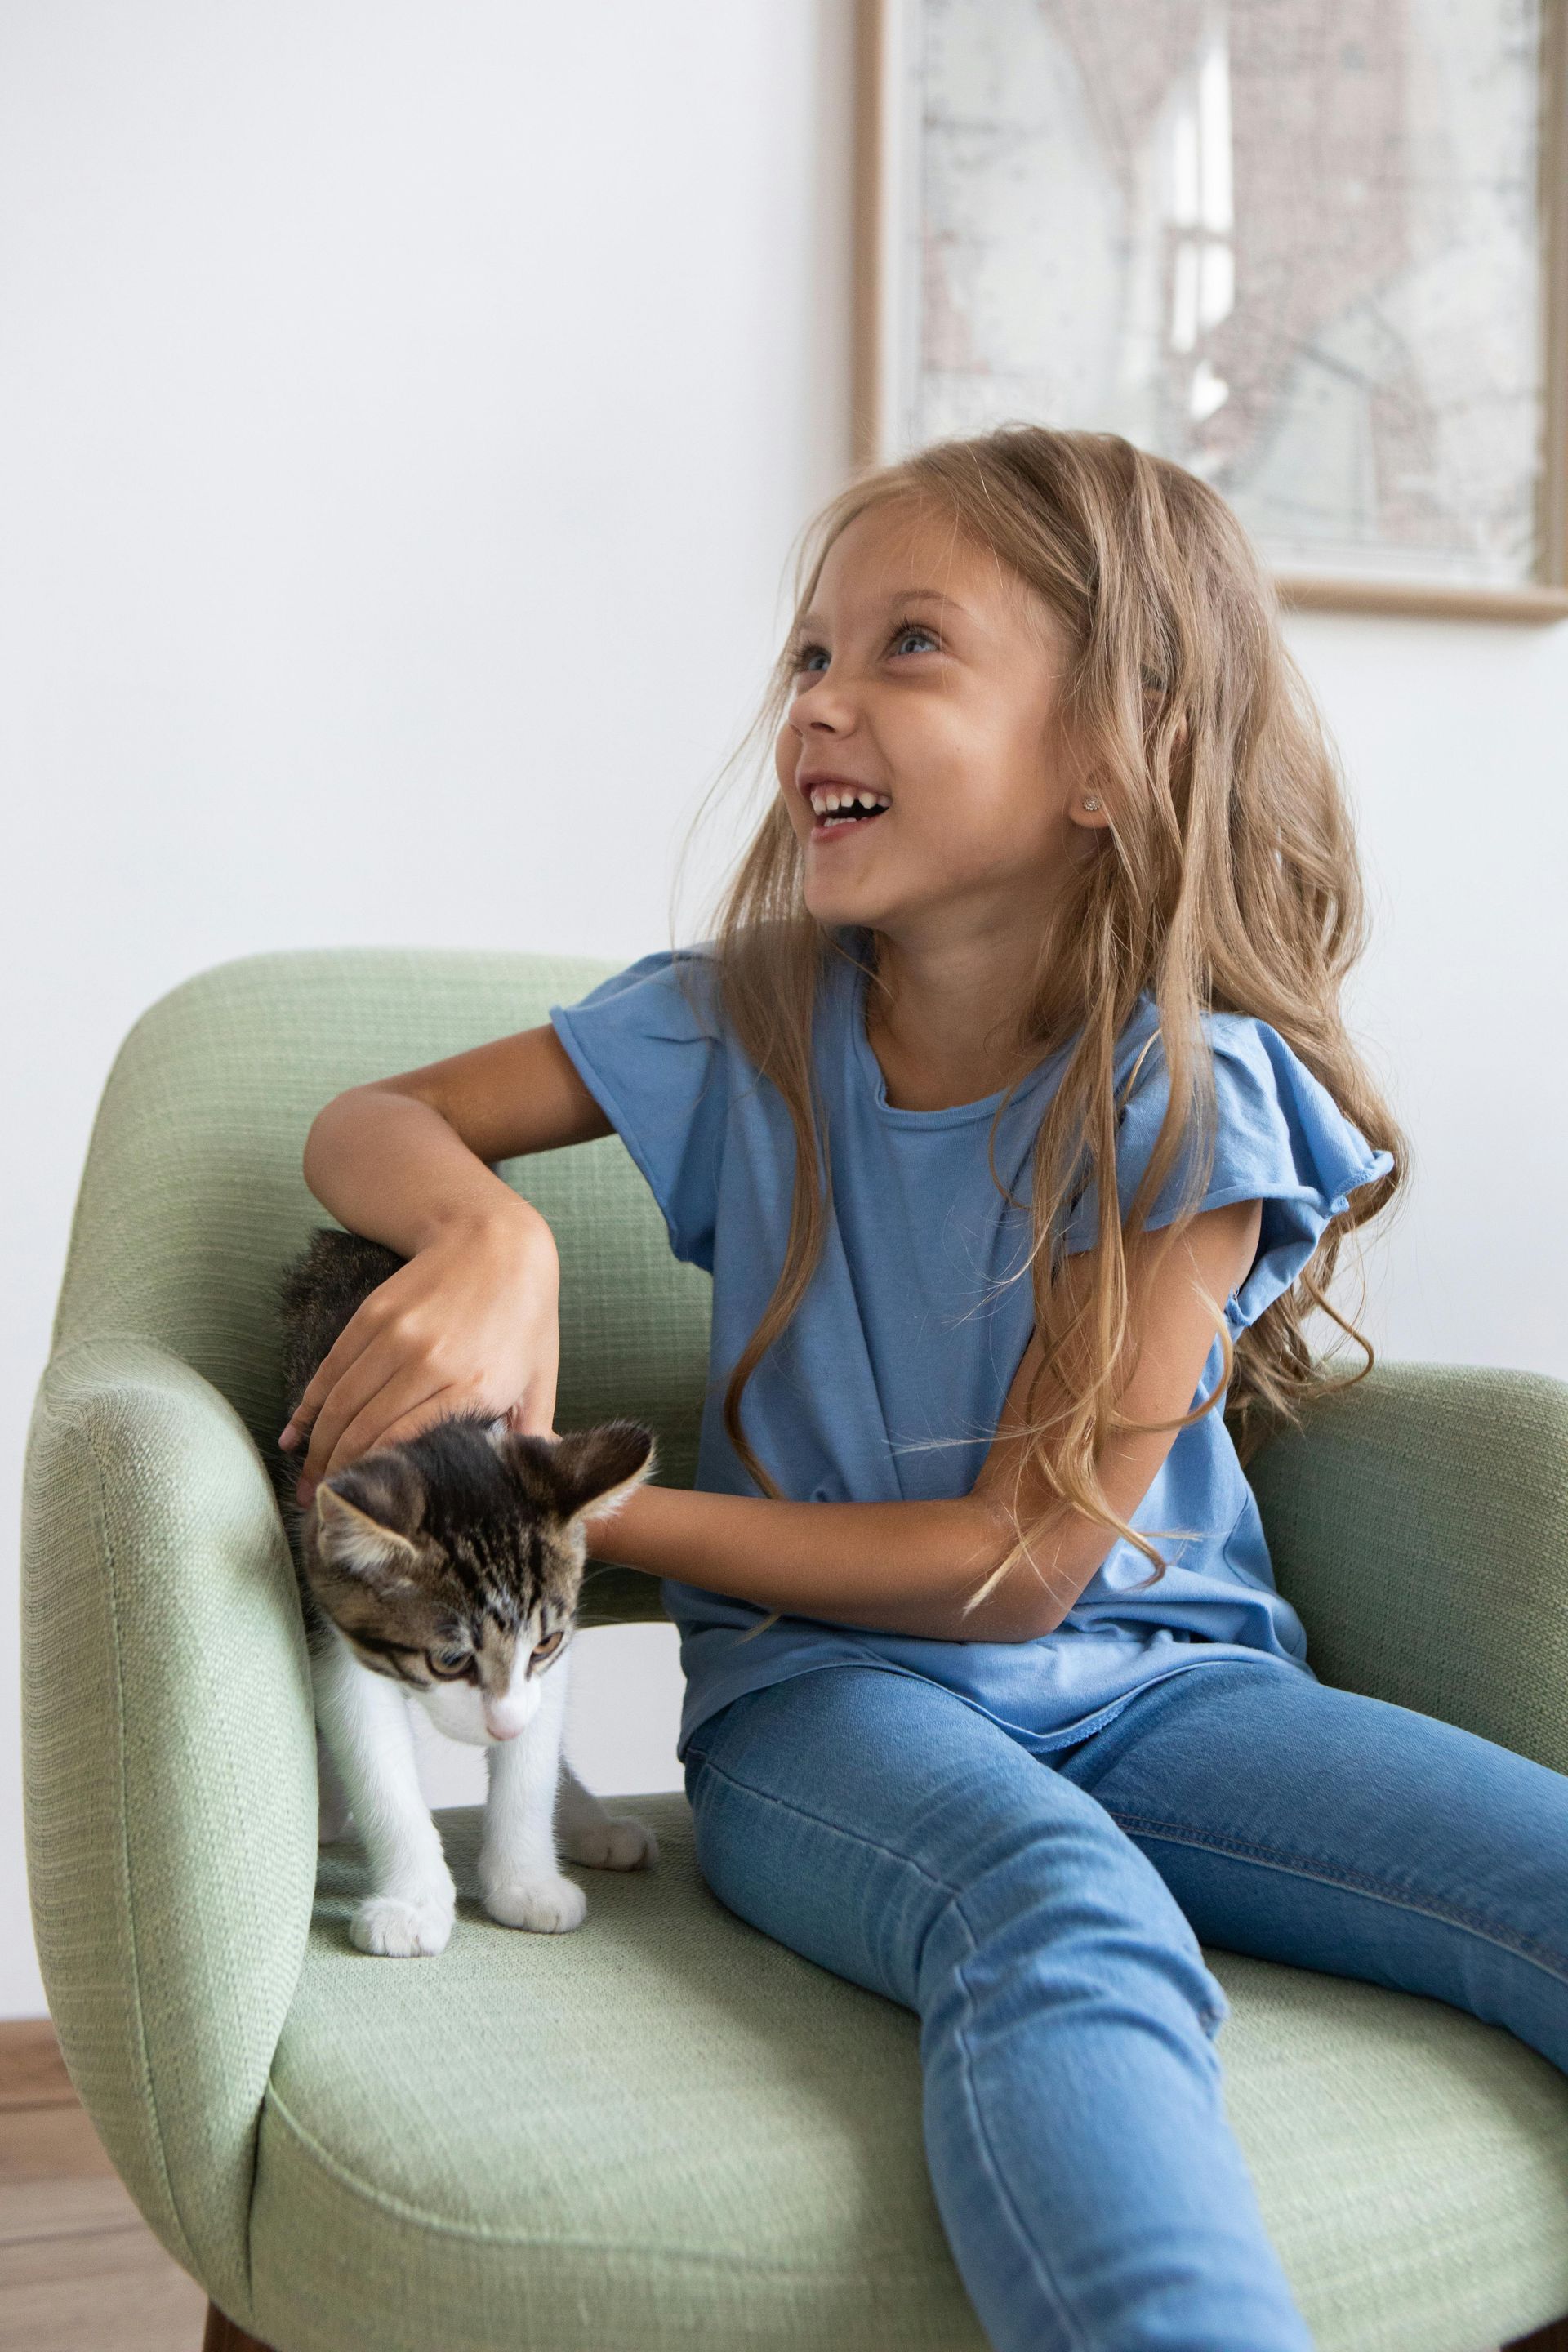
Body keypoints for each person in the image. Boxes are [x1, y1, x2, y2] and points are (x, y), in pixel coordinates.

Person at [281, 425, 1568, 2352]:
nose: (822, 702)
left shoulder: (1186, 1092)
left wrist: (597, 1515)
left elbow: (1029, 1567)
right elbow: (372, 1124)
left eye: (908, 647)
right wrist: (499, 1243)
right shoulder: (734, 1024)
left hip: (1185, 1690)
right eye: (810, 655)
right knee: (1060, 1923)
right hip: (825, 1709)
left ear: (1115, 756)